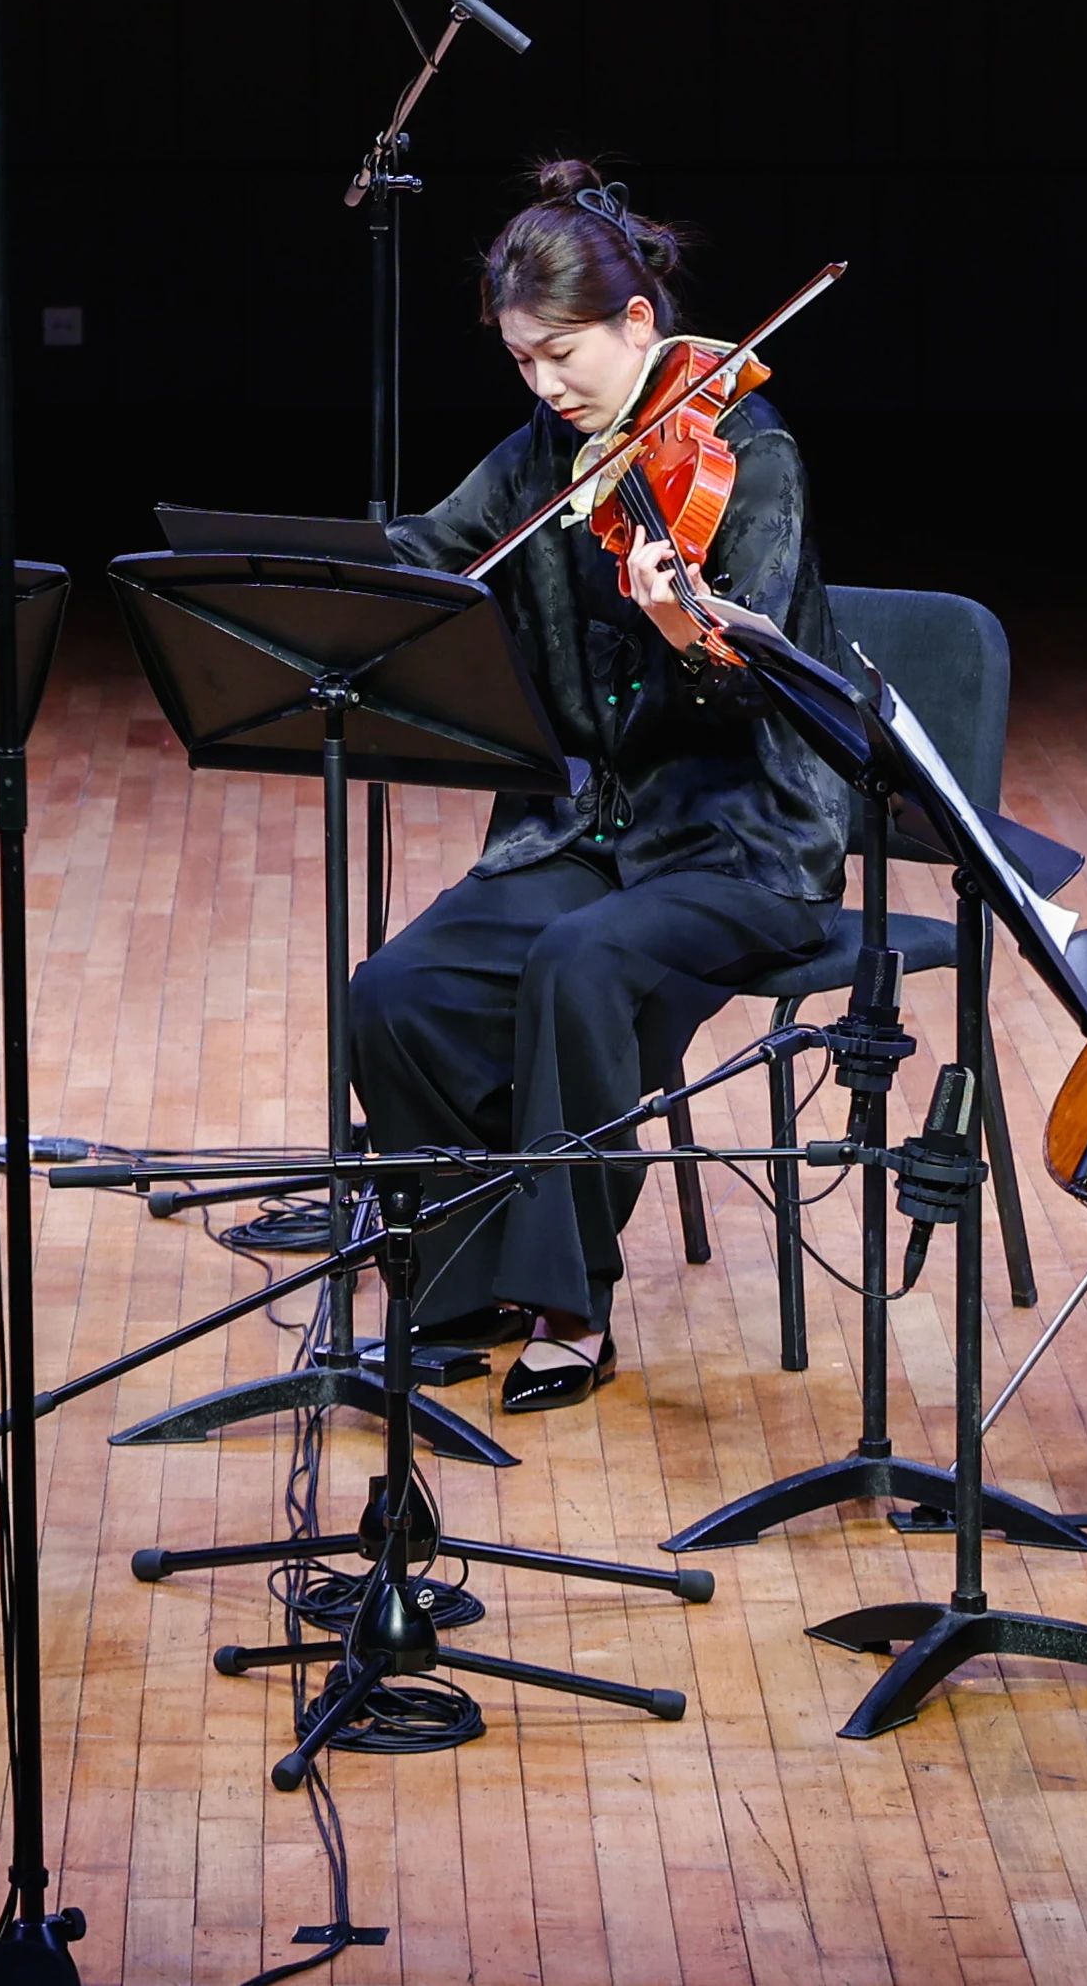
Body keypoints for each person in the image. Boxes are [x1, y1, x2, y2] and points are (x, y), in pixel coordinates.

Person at [340, 164, 853, 1414]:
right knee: (396, 990)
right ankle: (459, 1285)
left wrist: (689, 634)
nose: (545, 386)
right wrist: (306, 576)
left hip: (743, 846)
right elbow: (429, 551)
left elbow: (762, 692)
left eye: (561, 355)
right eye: (521, 361)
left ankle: (570, 1305)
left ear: (635, 322)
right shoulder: (546, 454)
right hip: (594, 830)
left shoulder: (752, 457)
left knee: (582, 962)